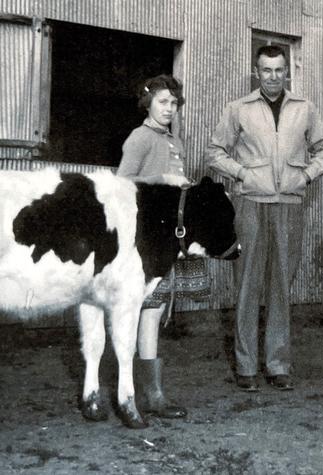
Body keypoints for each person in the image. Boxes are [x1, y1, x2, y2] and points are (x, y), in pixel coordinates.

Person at [206, 45, 323, 392]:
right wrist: (242, 174)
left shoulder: (304, 109)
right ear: (256, 73)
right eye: (266, 70)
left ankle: (278, 365)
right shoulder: (238, 109)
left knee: (281, 284)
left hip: (290, 206)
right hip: (250, 205)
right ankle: (246, 366)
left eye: (279, 70)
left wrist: (305, 177)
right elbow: (214, 152)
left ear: (287, 72)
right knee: (247, 284)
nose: (273, 77)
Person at [117, 74, 189, 418]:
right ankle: (136, 391)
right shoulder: (139, 138)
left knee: (155, 310)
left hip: (164, 240)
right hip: (139, 239)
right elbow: (121, 183)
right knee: (138, 310)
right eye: (163, 102)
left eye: (174, 104)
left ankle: (153, 394)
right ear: (148, 104)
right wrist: (159, 180)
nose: (169, 109)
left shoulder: (175, 141)